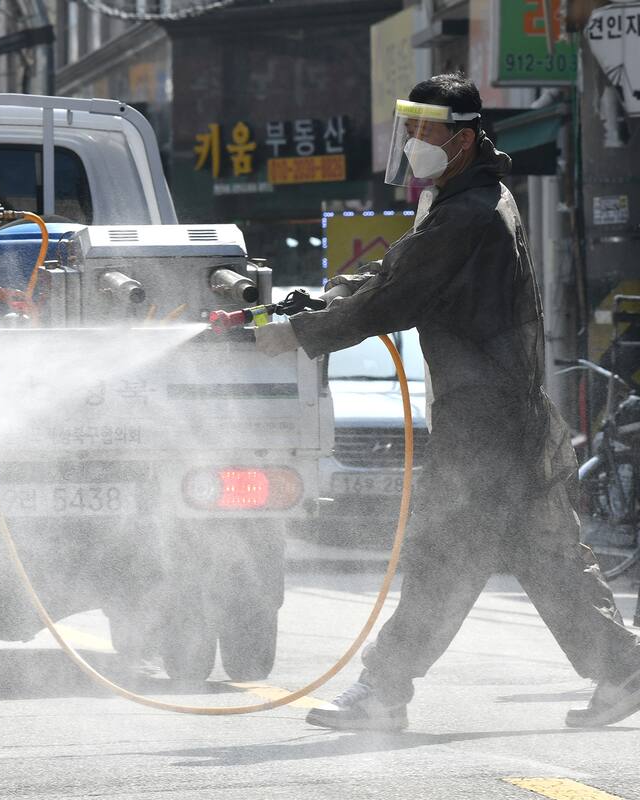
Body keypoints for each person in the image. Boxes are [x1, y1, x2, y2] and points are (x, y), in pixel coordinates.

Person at [256, 74, 640, 731]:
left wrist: (297, 336)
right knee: (548, 560)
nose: (412, 141)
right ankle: (624, 669)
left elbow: (397, 296)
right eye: (409, 126)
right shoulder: (467, 199)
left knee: (443, 556)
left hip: (484, 419)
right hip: (505, 413)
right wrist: (325, 296)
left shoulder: (469, 213)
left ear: (461, 138)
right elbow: (397, 269)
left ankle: (383, 692)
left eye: (425, 129)